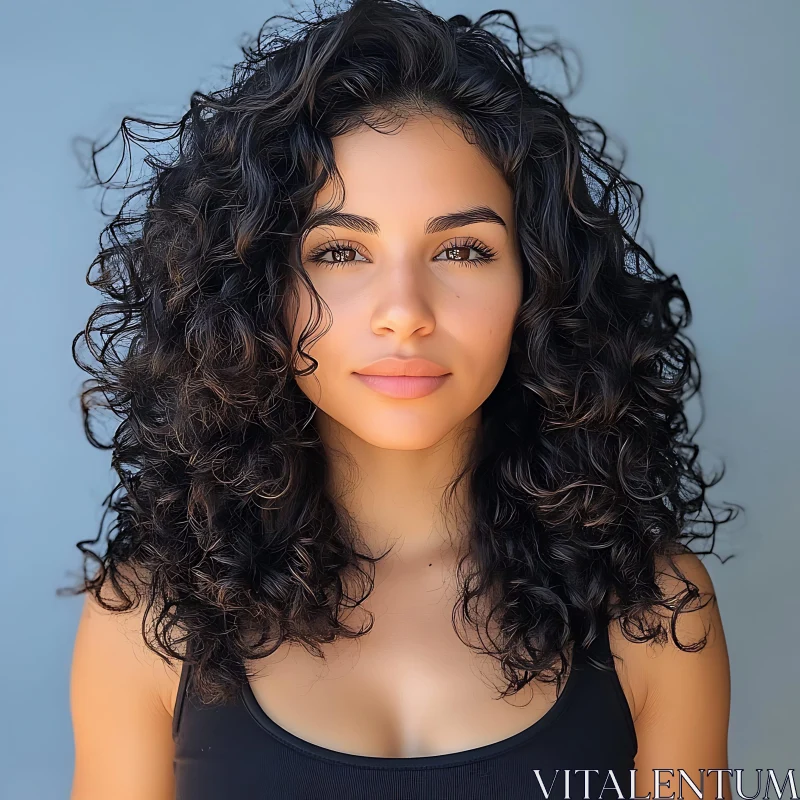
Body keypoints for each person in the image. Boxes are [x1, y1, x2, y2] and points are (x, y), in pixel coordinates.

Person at [65, 0, 738, 797]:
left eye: (462, 248)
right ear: (256, 288)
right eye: (341, 250)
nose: (406, 311)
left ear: (537, 284)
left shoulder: (656, 613)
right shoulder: (144, 620)